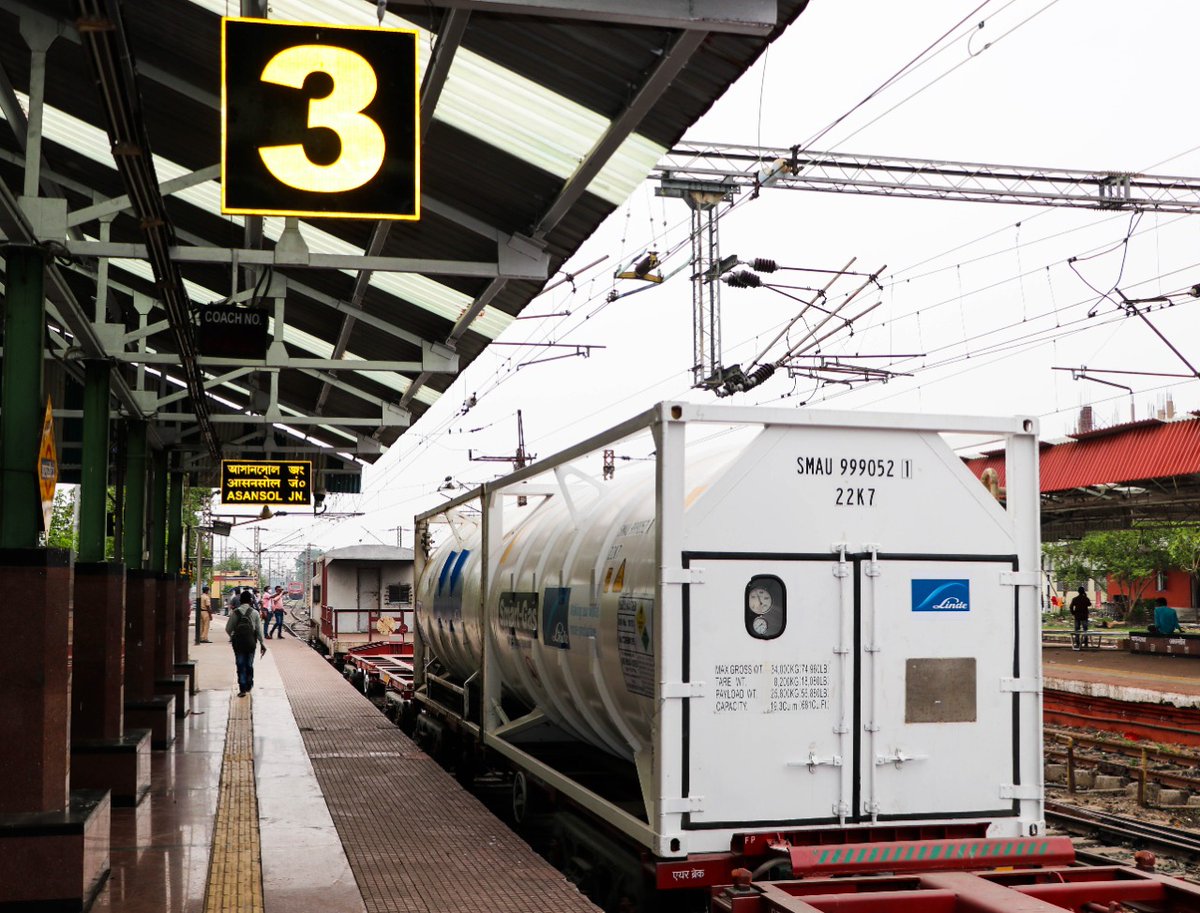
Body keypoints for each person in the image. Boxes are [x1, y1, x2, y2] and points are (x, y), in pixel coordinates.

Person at [225, 590, 266, 697]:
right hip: (251, 642)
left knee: (240, 663)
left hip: (238, 643)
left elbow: (228, 629)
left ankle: (242, 688)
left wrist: (233, 636)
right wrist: (262, 643)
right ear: (250, 600)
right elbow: (258, 630)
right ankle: (249, 684)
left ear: (240, 600)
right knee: (249, 664)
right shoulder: (255, 613)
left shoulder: (235, 612)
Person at [1069, 586, 1091, 650]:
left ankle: (1077, 643)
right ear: (1084, 591)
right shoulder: (1085, 598)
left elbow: (1071, 607)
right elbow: (1089, 604)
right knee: (1085, 630)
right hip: (1084, 616)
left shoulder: (1075, 599)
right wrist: (1085, 596)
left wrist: (1073, 613)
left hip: (1077, 616)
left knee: (1077, 630)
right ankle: (1086, 642)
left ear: (1078, 592)